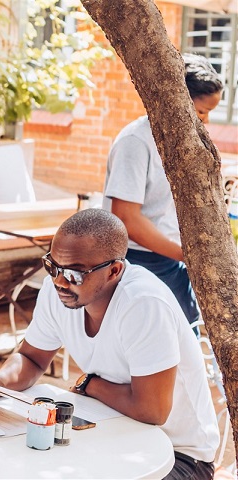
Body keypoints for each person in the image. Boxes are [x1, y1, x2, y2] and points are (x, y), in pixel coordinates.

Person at [0, 209, 219, 480]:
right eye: (53, 267)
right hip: (114, 434)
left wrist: (89, 384)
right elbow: (32, 358)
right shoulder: (58, 292)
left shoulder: (142, 303)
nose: (60, 281)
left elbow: (151, 410)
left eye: (75, 274)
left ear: (114, 271)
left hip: (178, 455)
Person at [103, 53, 224, 328]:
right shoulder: (136, 141)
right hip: (138, 262)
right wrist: (188, 255)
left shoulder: (184, 142)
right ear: (178, 98)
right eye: (202, 112)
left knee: (188, 341)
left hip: (171, 259)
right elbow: (126, 219)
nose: (205, 123)